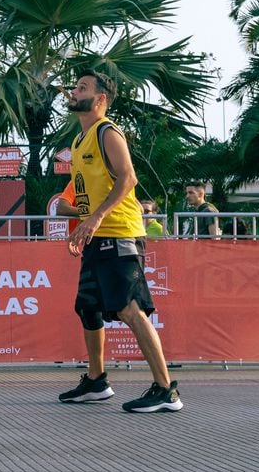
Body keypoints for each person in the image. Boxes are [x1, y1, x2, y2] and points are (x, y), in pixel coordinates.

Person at [58, 70, 183, 413]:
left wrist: (96, 218)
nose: (74, 90)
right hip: (97, 236)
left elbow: (128, 178)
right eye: (74, 85)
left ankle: (165, 389)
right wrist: (82, 224)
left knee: (130, 309)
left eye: (82, 87)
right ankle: (96, 382)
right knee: (88, 307)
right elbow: (87, 195)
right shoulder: (78, 141)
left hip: (119, 233)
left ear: (100, 99)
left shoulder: (106, 131)